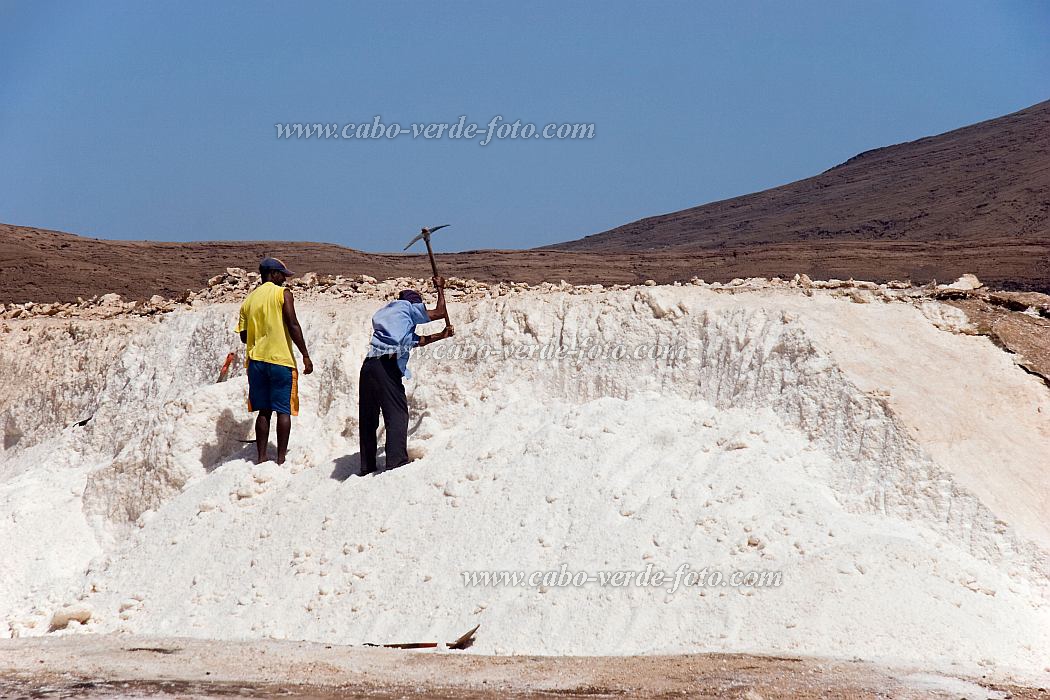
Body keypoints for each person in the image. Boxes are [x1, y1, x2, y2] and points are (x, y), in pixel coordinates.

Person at [359, 276, 453, 474]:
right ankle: (396, 463)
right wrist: (441, 289)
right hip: (386, 366)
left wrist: (442, 335)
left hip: (368, 367)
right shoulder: (407, 307)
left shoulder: (390, 316)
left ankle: (367, 466)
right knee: (397, 414)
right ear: (414, 304)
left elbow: (417, 340)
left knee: (368, 419)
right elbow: (439, 312)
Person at [236, 257, 313, 465]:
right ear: (273, 274)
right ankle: (280, 459)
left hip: (256, 363)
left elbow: (243, 337)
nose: (285, 280)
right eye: (283, 275)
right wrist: (305, 355)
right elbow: (292, 324)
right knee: (283, 410)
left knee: (263, 411)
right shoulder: (283, 294)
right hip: (280, 360)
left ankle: (261, 458)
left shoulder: (249, 300)